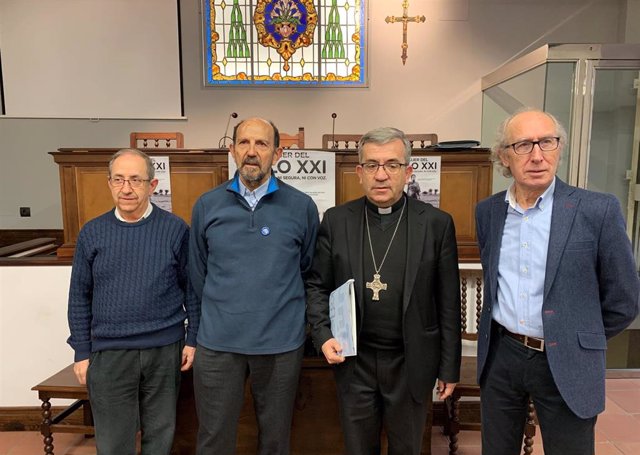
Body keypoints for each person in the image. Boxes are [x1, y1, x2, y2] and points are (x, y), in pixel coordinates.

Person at [476, 108, 640, 455]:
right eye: (523, 145)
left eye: (546, 142)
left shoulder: (597, 210)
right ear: (504, 156)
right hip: (502, 355)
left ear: (559, 149)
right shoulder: (488, 212)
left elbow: (624, 299)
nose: (537, 155)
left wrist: (579, 334)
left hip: (566, 359)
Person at [306, 127, 461, 455]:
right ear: (359, 173)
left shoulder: (436, 224)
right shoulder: (336, 221)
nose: (381, 175)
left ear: (407, 172)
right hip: (355, 363)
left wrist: (449, 367)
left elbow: (448, 302)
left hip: (410, 363)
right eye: (372, 165)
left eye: (391, 165)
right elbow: (317, 285)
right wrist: (322, 334)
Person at [189, 117, 319, 455]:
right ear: (231, 150)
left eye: (261, 144)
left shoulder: (302, 207)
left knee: (275, 441)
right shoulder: (207, 205)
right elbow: (198, 274)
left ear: (277, 152)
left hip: (280, 344)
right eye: (244, 143)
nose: (251, 152)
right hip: (218, 344)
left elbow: (307, 270)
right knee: (213, 439)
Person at [67, 148, 199, 455]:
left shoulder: (175, 230)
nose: (127, 188)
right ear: (110, 183)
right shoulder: (92, 233)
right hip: (110, 354)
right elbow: (79, 297)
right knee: (113, 444)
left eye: (136, 180)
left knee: (160, 437)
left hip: (165, 351)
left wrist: (192, 339)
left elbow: (191, 288)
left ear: (152, 186)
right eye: (119, 179)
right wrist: (82, 351)